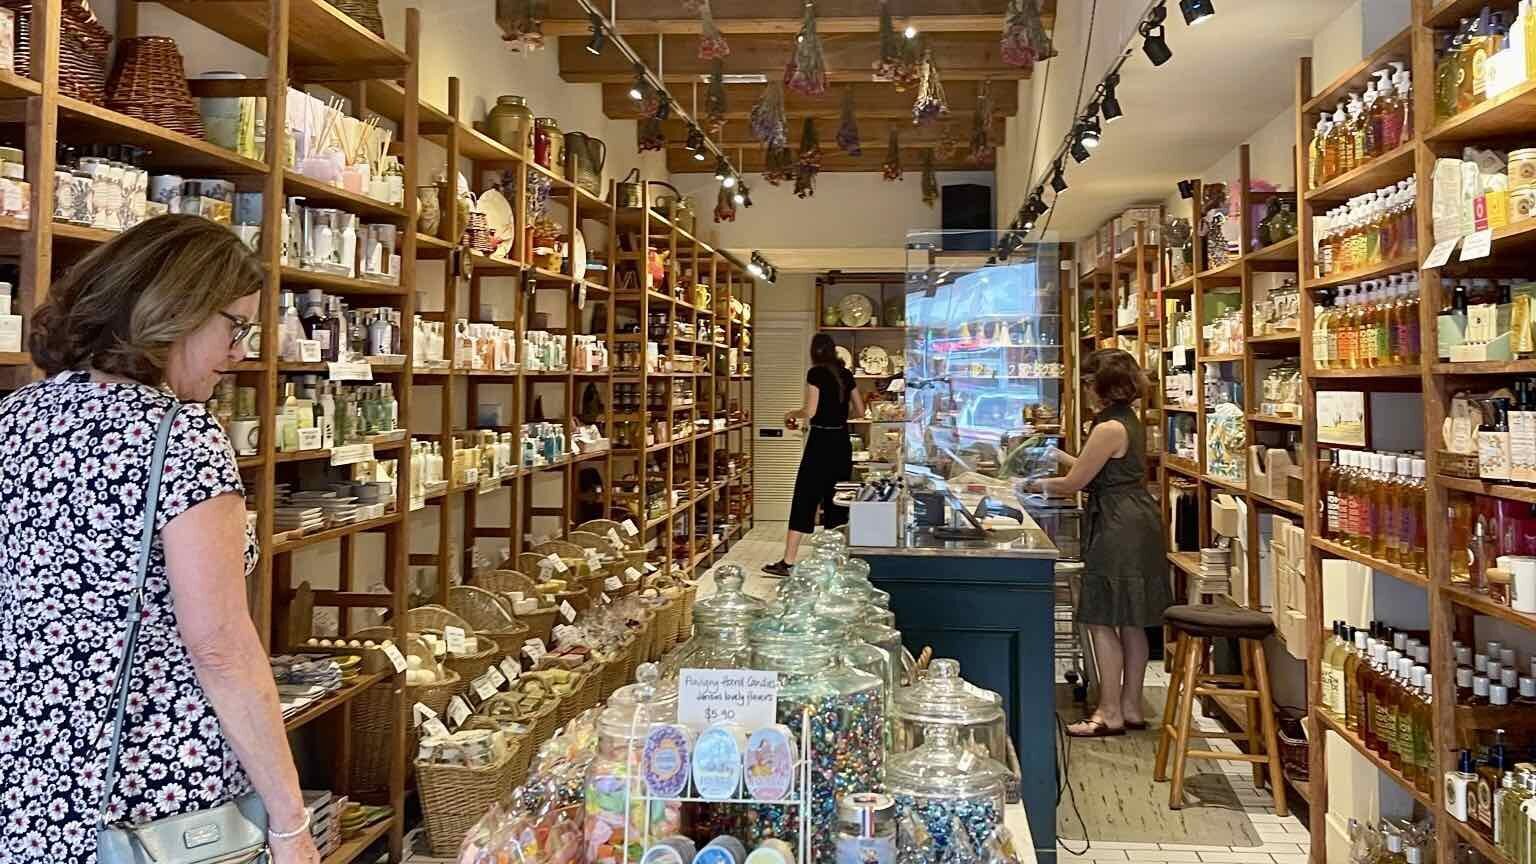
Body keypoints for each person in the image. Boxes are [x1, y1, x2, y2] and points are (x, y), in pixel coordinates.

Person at [0, 215, 321, 863]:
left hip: (34, 777)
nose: (241, 351)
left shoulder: (17, 416)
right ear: (176, 311)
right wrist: (290, 819)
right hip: (158, 791)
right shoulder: (182, 438)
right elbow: (220, 647)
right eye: (235, 327)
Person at [1027, 349, 1170, 737]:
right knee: (1132, 620)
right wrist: (1058, 454)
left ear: (1100, 385)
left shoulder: (1106, 428)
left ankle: (1107, 712)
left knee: (1101, 616)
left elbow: (1076, 482)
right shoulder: (1128, 421)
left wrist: (1025, 484)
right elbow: (1099, 467)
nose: (1086, 389)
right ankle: (1130, 705)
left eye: (1089, 382)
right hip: (1136, 518)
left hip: (1117, 524)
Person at [763, 333, 864, 576]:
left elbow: (810, 410)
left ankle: (788, 562)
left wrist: (791, 413)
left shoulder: (816, 373)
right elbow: (860, 411)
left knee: (804, 498)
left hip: (820, 442)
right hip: (841, 442)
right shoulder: (846, 374)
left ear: (813, 351)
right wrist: (839, 417)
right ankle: (837, 563)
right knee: (837, 499)